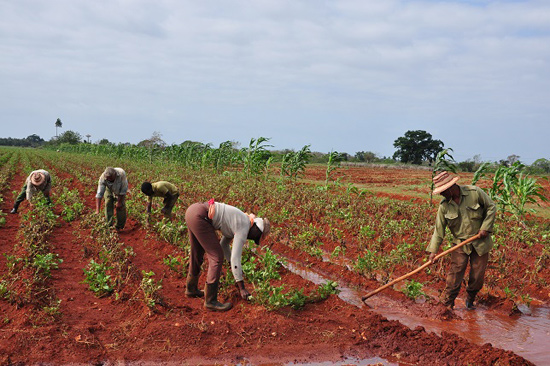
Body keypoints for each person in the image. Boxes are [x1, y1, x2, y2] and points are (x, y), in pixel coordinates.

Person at [184, 199, 271, 311]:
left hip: (193, 211)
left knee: (197, 252)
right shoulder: (244, 226)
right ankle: (211, 301)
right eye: (257, 236)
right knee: (216, 256)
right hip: (200, 216)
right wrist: (242, 287)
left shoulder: (240, 220)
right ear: (256, 228)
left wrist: (232, 266)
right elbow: (235, 258)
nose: (253, 238)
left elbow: (224, 245)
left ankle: (191, 289)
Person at [427, 171, 496, 310]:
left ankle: (470, 299)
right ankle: (447, 305)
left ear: (452, 187)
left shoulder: (474, 193)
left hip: (480, 243)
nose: (441, 194)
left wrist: (485, 228)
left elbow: (491, 207)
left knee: (477, 276)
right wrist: (433, 251)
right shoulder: (444, 206)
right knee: (454, 275)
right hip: (460, 244)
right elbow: (438, 230)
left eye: (443, 191)